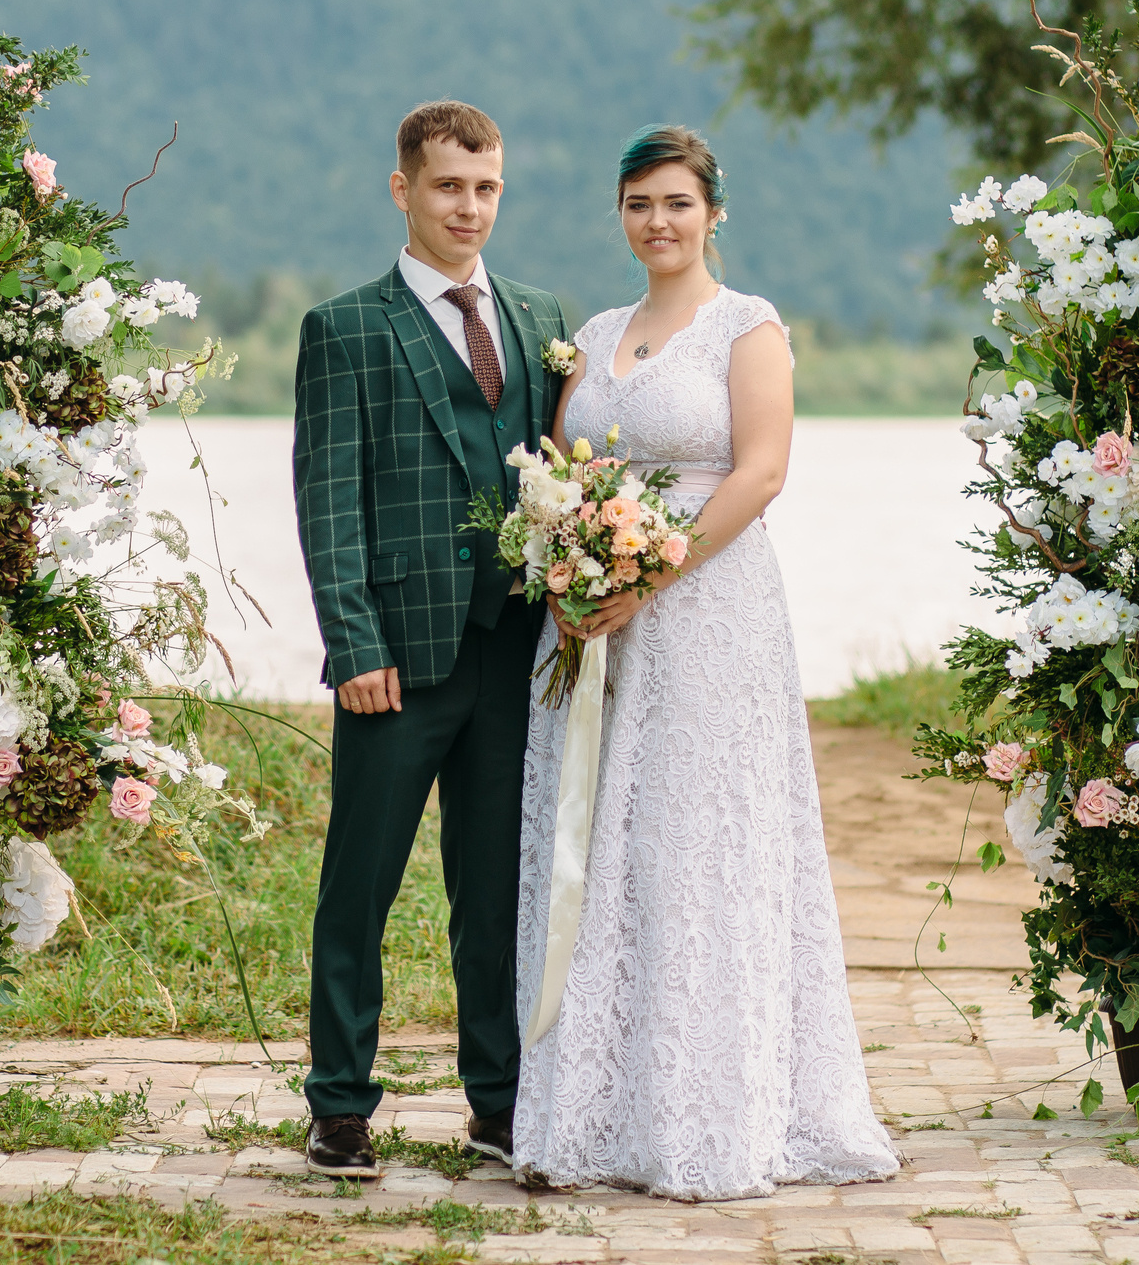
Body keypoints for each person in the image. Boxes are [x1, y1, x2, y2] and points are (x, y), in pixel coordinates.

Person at [512, 125, 899, 1200]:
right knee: (602, 844)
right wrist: (567, 571)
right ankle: (585, 1117)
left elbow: (762, 472)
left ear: (712, 213)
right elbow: (559, 472)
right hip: (590, 623)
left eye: (677, 203)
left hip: (708, 614)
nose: (658, 222)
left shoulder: (748, 328)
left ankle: (706, 1118)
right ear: (620, 215)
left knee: (697, 840)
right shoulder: (591, 336)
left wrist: (649, 577)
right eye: (638, 204)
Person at [293, 100, 573, 1177]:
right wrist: (353, 643)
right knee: (359, 882)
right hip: (395, 659)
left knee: (496, 889)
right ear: (403, 188)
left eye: (486, 186)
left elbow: (559, 476)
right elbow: (329, 501)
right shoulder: (346, 327)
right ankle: (339, 1103)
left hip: (514, 654)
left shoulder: (540, 317)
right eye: (448, 185)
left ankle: (498, 1103)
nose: (469, 206)